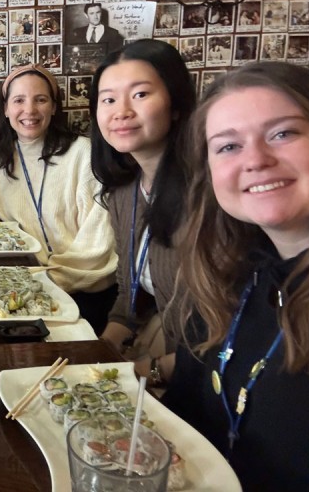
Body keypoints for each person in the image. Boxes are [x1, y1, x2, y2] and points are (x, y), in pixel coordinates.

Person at [164, 62, 309, 490]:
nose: (257, 160)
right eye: (228, 146)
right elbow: (184, 413)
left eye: (283, 133)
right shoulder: (227, 278)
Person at [89, 39, 196, 382]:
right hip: (164, 356)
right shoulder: (124, 191)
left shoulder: (208, 196)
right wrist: (99, 354)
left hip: (206, 377)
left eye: (140, 95)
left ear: (175, 104)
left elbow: (228, 333)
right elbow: (128, 292)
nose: (121, 111)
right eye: (108, 99)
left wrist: (149, 372)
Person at [0, 63, 117, 333]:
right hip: (33, 289)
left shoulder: (82, 153)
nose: (29, 110)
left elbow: (100, 240)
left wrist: (48, 279)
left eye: (40, 99)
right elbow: (13, 237)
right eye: (19, 100)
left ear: (54, 107)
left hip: (88, 291)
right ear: (6, 109)